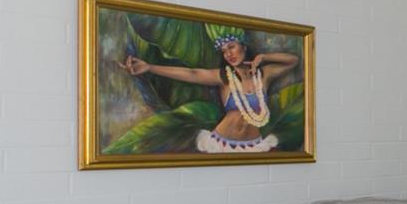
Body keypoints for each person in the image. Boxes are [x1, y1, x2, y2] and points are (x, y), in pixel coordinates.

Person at [121, 33, 299, 153]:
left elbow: (293, 61)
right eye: (224, 51)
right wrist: (150, 67)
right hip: (222, 143)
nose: (228, 54)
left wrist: (265, 58)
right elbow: (192, 74)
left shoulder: (263, 76)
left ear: (244, 47)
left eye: (231, 47)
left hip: (254, 145)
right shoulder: (223, 77)